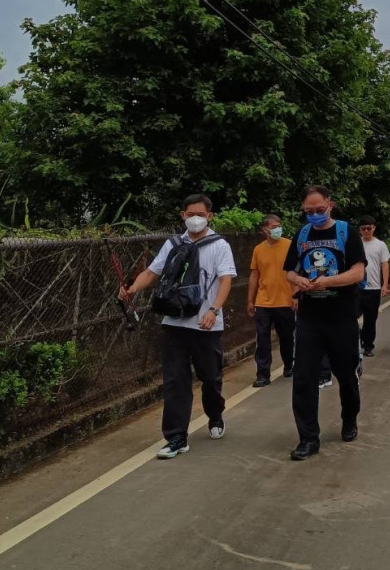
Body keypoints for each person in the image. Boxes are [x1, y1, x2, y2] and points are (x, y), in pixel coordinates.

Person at [119, 194, 237, 458]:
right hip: (175, 322)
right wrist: (132, 289)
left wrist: (214, 309)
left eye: (201, 214)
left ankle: (215, 414)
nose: (196, 219)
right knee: (175, 381)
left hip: (207, 325)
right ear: (182, 215)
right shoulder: (172, 244)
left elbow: (226, 279)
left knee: (211, 378)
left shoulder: (219, 245)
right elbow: (152, 272)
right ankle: (176, 437)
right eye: (190, 214)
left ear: (210, 216)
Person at [283, 186, 367, 460]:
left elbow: (357, 271)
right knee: (304, 378)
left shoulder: (346, 232)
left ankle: (349, 419)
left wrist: (328, 281)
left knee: (346, 376)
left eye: (320, 210)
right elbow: (289, 271)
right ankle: (308, 438)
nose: (315, 215)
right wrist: (299, 281)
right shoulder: (302, 234)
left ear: (330, 204)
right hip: (309, 318)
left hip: (342, 317)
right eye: (309, 211)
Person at [247, 213, 295, 387]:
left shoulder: (289, 245)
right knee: (263, 340)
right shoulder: (258, 249)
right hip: (264, 301)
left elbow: (296, 272)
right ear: (264, 229)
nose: (277, 229)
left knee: (287, 337)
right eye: (273, 227)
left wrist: (296, 296)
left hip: (285, 300)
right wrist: (250, 300)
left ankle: (289, 365)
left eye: (279, 226)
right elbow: (254, 275)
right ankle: (263, 374)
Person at [357, 215, 390, 357]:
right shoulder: (356, 243)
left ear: (374, 228)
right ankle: (358, 339)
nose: (366, 231)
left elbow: (384, 264)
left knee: (370, 319)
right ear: (360, 230)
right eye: (364, 228)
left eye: (369, 228)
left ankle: (368, 345)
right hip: (356, 287)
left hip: (373, 288)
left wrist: (385, 284)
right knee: (351, 316)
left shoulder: (380, 245)